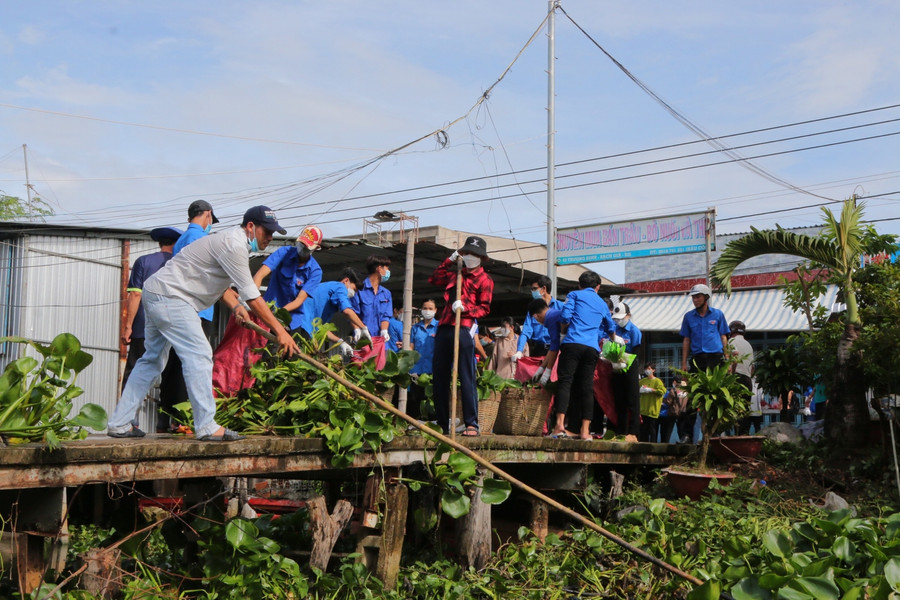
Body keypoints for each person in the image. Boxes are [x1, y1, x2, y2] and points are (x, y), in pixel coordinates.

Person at [106, 205, 300, 441]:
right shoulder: (234, 245)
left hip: (158, 292)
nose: (270, 238)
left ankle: (120, 423)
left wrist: (237, 307)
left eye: (273, 233)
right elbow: (252, 295)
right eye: (267, 232)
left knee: (152, 360)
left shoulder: (228, 242)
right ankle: (207, 426)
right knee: (199, 354)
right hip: (172, 297)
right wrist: (280, 331)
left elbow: (218, 284)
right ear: (251, 227)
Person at [121, 226, 187, 433]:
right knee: (173, 374)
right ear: (177, 243)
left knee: (136, 372)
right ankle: (169, 423)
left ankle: (128, 422)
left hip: (144, 327)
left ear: (159, 242)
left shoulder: (143, 262)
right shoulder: (180, 264)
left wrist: (128, 325)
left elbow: (135, 295)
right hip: (173, 327)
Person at [429, 236, 494, 436]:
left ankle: (471, 424)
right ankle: (442, 422)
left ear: (481, 258)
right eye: (466, 253)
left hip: (464, 328)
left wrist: (466, 309)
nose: (469, 257)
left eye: (474, 254)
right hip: (445, 326)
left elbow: (485, 308)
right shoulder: (455, 273)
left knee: (466, 375)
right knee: (440, 376)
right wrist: (450, 259)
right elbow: (434, 278)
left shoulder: (485, 280)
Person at [549, 271, 615, 440]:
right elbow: (610, 326)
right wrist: (614, 338)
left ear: (579, 285)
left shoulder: (574, 295)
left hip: (572, 343)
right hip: (591, 348)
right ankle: (585, 431)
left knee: (565, 383)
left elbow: (564, 316)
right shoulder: (601, 303)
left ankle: (559, 426)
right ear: (598, 287)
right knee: (587, 388)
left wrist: (563, 331)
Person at [252, 225, 323, 333]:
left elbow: (299, 300)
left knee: (286, 348)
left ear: (316, 248)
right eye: (301, 243)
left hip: (292, 321)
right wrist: (254, 299)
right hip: (266, 313)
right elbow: (259, 275)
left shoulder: (315, 271)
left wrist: (280, 313)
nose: (303, 247)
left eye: (307, 246)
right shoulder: (284, 252)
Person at [173, 200, 219, 339]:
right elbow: (207, 273)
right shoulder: (203, 238)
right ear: (208, 214)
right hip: (198, 309)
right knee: (198, 357)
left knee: (177, 357)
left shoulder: (181, 240)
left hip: (180, 306)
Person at [298, 267, 367, 357]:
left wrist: (340, 342)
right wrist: (363, 328)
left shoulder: (328, 296)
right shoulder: (339, 287)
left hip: (302, 328)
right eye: (354, 289)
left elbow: (321, 329)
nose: (353, 293)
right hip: (301, 327)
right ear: (346, 280)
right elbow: (347, 310)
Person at [680, 284, 730, 373]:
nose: (695, 300)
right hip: (698, 358)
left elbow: (723, 337)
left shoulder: (718, 314)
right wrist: (684, 362)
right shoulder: (688, 317)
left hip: (716, 357)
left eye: (698, 297)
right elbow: (686, 340)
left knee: (716, 386)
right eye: (693, 298)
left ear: (706, 297)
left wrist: (727, 359)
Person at [610, 301, 642, 437]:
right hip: (616, 366)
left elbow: (637, 351)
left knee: (632, 400)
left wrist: (626, 360)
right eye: (617, 319)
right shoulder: (614, 330)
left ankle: (633, 432)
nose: (619, 321)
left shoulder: (634, 331)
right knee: (619, 400)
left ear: (628, 316)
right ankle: (620, 431)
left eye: (621, 318)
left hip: (630, 366)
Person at [515, 275, 564, 362]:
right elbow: (526, 332)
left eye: (534, 289)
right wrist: (519, 350)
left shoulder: (561, 307)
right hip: (539, 349)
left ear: (544, 289)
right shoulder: (533, 310)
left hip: (557, 349)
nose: (532, 292)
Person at [408, 299, 438, 420]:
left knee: (432, 399)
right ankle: (417, 423)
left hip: (433, 370)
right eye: (425, 308)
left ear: (435, 311)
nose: (427, 311)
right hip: (417, 370)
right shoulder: (415, 328)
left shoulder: (439, 327)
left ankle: (433, 422)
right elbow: (411, 347)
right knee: (416, 399)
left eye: (430, 308)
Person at [352, 254, 393, 344]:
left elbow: (386, 316)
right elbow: (352, 313)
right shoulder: (359, 289)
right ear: (379, 269)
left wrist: (384, 331)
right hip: (362, 339)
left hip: (380, 341)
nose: (388, 271)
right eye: (387, 268)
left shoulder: (386, 294)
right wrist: (357, 330)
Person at [638, 363, 667, 442]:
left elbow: (662, 391)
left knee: (652, 430)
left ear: (654, 370)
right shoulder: (643, 381)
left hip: (652, 410)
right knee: (643, 430)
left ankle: (652, 446)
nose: (647, 370)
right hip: (643, 409)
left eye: (649, 368)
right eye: (646, 368)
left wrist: (651, 390)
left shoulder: (658, 381)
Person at [728, 320, 754, 393]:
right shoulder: (749, 344)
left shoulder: (732, 340)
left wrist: (732, 374)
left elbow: (735, 353)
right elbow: (752, 367)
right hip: (748, 380)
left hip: (737, 377)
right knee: (746, 404)